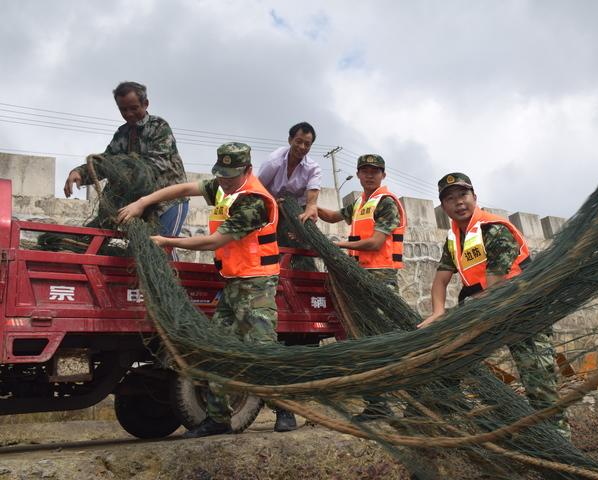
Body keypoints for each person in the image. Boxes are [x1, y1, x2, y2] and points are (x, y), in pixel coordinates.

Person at [117, 142, 297, 437]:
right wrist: (143, 202)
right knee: (215, 349)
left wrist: (167, 242)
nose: (224, 181)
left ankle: (285, 408)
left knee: (262, 350)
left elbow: (214, 242)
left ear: (248, 170)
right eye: (221, 175)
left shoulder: (254, 201)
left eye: (231, 175)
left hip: (258, 284)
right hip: (233, 282)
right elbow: (182, 190)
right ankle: (218, 419)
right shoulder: (224, 188)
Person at [418, 172, 569, 438]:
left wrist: (466, 313)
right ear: (443, 207)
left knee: (540, 385)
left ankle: (560, 444)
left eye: (463, 195)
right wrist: (438, 313)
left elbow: (496, 284)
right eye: (450, 199)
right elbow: (440, 281)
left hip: (523, 312)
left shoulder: (494, 229)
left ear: (474, 197)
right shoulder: (454, 239)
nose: (459, 203)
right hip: (486, 311)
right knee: (450, 357)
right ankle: (446, 410)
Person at [318, 154, 406, 421]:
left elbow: (375, 243)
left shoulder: (386, 202)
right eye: (365, 171)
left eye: (375, 171)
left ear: (383, 174)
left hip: (380, 279)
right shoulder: (360, 204)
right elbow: (334, 216)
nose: (370, 176)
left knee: (381, 342)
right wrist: (310, 207)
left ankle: (399, 402)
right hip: (359, 277)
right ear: (357, 174)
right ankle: (377, 406)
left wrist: (337, 247)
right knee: (365, 341)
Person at [64, 81, 189, 242]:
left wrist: (122, 170)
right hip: (140, 205)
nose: (129, 113)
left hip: (168, 202)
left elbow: (154, 167)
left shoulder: (159, 128)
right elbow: (107, 161)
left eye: (134, 108)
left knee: (161, 247)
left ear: (145, 104)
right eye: (123, 109)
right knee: (137, 251)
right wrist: (80, 172)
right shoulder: (122, 134)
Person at [258, 122, 321, 271]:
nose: (302, 147)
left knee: (300, 235)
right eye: (299, 141)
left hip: (294, 209)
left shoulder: (313, 168)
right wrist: (272, 202)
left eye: (307, 144)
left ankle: (305, 270)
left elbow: (312, 196)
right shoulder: (274, 161)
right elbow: (258, 189)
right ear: (290, 140)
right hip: (268, 203)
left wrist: (311, 207)